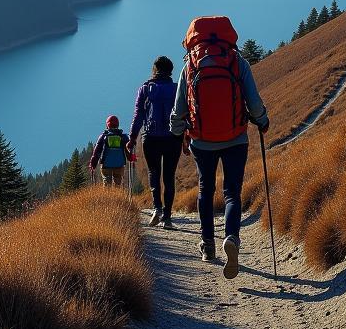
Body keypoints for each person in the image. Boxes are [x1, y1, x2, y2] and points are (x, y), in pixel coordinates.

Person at [171, 15, 269, 280]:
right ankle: (232, 238)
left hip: (202, 141)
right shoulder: (237, 62)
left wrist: (177, 132)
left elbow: (179, 109)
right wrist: (262, 121)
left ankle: (207, 245)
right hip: (236, 138)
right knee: (231, 193)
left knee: (205, 188)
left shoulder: (190, 65)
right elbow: (255, 103)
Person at [129, 55, 182, 228]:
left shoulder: (145, 89)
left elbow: (138, 116)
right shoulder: (177, 89)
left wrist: (132, 138)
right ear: (170, 71)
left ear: (155, 70)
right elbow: (184, 114)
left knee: (154, 172)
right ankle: (167, 217)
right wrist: (187, 136)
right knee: (169, 176)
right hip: (172, 138)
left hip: (150, 137)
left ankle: (157, 208)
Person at [89, 114, 129, 187]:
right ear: (118, 125)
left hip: (106, 165)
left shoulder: (103, 136)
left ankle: (108, 198)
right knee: (118, 182)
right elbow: (128, 149)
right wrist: (130, 158)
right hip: (119, 164)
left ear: (107, 125)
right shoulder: (123, 136)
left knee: (107, 182)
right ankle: (118, 197)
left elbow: (97, 152)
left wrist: (93, 163)